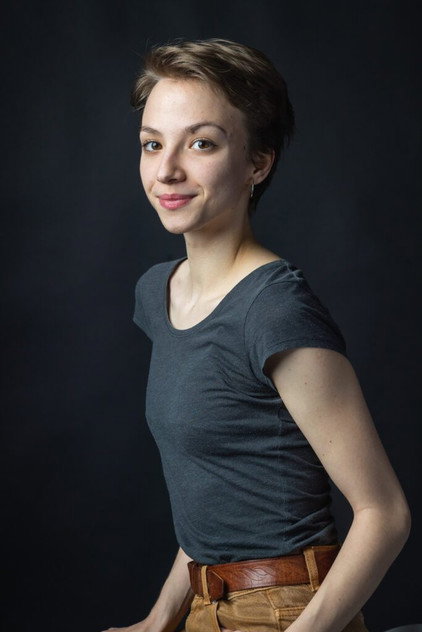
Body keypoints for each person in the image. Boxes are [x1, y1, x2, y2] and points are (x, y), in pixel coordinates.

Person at [102, 38, 411, 632]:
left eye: (201, 143)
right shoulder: (156, 293)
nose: (166, 170)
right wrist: (158, 620)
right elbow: (220, 500)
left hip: (288, 611)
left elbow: (385, 513)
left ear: (257, 163)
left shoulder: (274, 309)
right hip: (205, 608)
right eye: (152, 143)